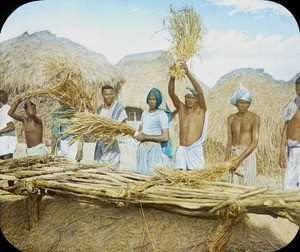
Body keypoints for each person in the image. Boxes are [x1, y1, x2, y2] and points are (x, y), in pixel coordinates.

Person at [168, 63, 208, 170]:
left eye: (193, 98)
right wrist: (173, 76)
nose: (190, 100)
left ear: (197, 99)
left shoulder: (201, 110)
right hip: (182, 150)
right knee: (179, 179)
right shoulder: (182, 109)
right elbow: (171, 94)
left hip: (194, 150)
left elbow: (200, 92)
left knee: (195, 180)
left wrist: (188, 73)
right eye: (188, 97)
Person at [225, 84, 260, 186]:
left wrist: (239, 160)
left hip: (248, 154)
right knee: (235, 186)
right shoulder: (231, 118)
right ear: (236, 103)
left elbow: (254, 142)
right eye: (241, 103)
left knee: (248, 186)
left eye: (246, 103)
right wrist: (227, 158)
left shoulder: (255, 118)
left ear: (249, 104)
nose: (243, 105)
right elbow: (229, 141)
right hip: (235, 152)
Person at [133, 88, 170, 173]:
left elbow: (165, 137)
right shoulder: (144, 113)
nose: (151, 101)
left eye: (154, 99)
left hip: (154, 149)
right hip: (142, 148)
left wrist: (145, 137)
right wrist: (134, 134)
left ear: (158, 101)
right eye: (150, 99)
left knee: (153, 175)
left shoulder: (161, 114)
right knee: (141, 174)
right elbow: (140, 131)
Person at [94, 85, 127, 169]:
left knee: (112, 172)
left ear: (114, 95)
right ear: (102, 95)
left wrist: (112, 133)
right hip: (101, 147)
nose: (109, 97)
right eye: (106, 94)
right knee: (100, 173)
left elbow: (124, 128)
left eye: (111, 94)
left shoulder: (118, 109)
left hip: (113, 148)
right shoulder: (99, 110)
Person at [279, 76, 300, 190]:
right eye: (297, 90)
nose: (299, 92)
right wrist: (281, 154)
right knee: (290, 183)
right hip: (292, 149)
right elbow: (285, 131)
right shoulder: (291, 106)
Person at [0, 90, 17, 160]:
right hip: (4, 139)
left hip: (7, 139)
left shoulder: (6, 109)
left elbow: (11, 127)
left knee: (7, 163)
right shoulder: (3, 109)